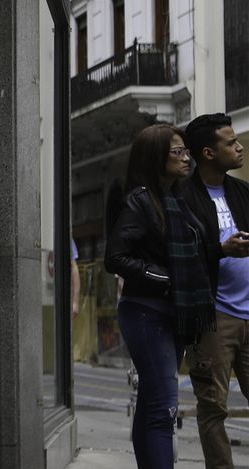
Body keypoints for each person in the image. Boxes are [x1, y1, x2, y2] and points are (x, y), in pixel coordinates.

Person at [105, 123, 214, 468]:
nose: (186, 159)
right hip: (146, 312)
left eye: (186, 152)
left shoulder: (177, 200)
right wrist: (164, 278)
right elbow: (115, 258)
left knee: (153, 404)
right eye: (177, 152)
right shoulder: (140, 201)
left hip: (174, 313)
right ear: (156, 158)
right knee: (164, 407)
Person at [181, 113, 249, 469]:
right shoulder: (184, 198)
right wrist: (220, 249)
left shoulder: (242, 191)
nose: (238, 147)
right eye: (230, 142)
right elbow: (179, 255)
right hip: (213, 317)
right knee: (213, 408)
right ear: (208, 152)